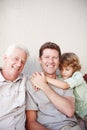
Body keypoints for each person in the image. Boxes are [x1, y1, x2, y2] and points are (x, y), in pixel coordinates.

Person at [26, 42, 81, 130]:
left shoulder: (65, 83)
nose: (51, 61)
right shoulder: (31, 83)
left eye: (54, 58)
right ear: (40, 59)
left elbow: (69, 111)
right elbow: (31, 123)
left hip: (70, 127)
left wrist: (43, 85)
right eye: (47, 57)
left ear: (59, 61)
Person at [46, 52, 87, 130]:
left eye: (67, 69)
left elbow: (65, 85)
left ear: (74, 68)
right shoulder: (62, 76)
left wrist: (45, 79)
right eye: (61, 69)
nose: (63, 72)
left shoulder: (78, 75)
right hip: (77, 114)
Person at [0, 44, 29, 130]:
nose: (19, 64)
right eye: (16, 59)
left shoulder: (26, 80)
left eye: (23, 62)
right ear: (5, 58)